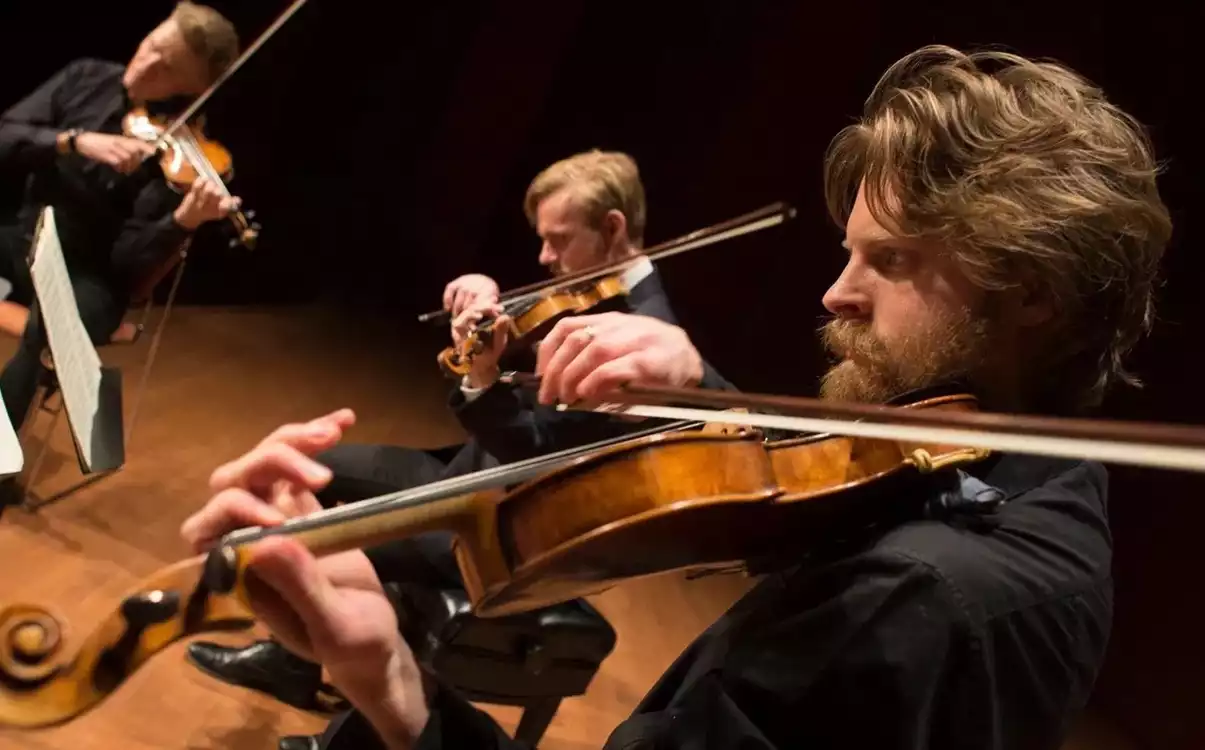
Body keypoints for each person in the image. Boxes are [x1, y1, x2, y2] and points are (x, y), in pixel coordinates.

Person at [181, 44, 1172, 749]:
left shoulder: (901, 605)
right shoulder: (1043, 485)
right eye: (847, 253)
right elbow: (818, 484)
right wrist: (703, 391)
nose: (834, 293)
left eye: (891, 260)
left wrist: (397, 690)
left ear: (1031, 292)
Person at [183, 150, 736, 728]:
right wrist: (481, 311)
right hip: (465, 474)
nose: (545, 256)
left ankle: (313, 673)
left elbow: (537, 450)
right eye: (541, 239)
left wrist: (481, 379)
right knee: (305, 463)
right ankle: (292, 666)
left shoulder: (648, 344)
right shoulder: (585, 289)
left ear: (614, 227)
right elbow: (509, 368)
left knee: (316, 540)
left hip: (495, 524)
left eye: (559, 239)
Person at [0, 1, 242, 463]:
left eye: (167, 66)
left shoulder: (180, 158)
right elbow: (5, 136)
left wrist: (181, 223)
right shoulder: (86, 76)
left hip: (93, 277)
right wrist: (70, 140)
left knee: (44, 330)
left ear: (194, 88)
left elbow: (128, 268)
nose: (145, 64)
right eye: (152, 44)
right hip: (27, 236)